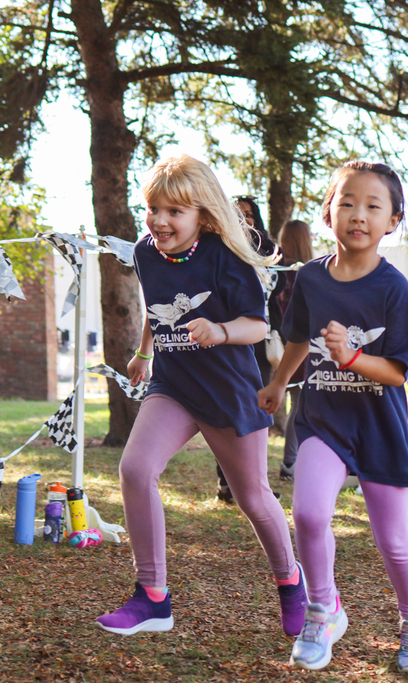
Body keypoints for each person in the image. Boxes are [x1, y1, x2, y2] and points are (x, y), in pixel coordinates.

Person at [96, 155, 306, 637]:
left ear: (202, 214)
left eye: (175, 211)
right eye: (153, 208)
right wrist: (145, 351)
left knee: (252, 497)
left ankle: (291, 583)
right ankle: (152, 597)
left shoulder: (223, 255)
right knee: (134, 468)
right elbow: (157, 304)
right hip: (173, 384)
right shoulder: (146, 252)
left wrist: (219, 329)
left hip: (227, 390)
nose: (160, 220)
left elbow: (258, 325)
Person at [259, 161, 408, 673]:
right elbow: (296, 337)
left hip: (379, 426)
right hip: (322, 420)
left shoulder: (393, 289)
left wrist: (352, 358)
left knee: (393, 541)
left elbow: (398, 372)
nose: (359, 215)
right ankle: (323, 607)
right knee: (310, 515)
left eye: (373, 206)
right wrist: (276, 382)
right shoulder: (310, 277)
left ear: (393, 221)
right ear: (328, 213)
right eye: (347, 203)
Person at [215, 194, 285, 502]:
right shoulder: (221, 252)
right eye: (238, 214)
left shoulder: (269, 253)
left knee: (256, 412)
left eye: (249, 214)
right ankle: (226, 484)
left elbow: (278, 293)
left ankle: (256, 486)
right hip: (230, 340)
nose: (245, 220)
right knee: (228, 413)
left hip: (262, 341)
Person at [274, 219, 314, 481]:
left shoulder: (275, 270)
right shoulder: (306, 274)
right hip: (300, 346)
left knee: (296, 405)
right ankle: (290, 462)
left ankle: (294, 460)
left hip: (279, 344)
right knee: (299, 405)